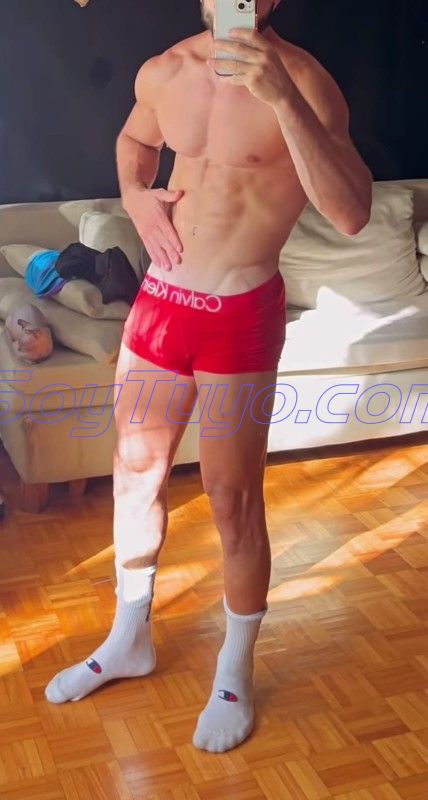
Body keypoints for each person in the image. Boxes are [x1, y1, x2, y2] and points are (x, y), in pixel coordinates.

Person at [45, 0, 372, 753]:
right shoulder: (167, 70)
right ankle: (130, 637)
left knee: (232, 497)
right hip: (160, 307)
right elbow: (134, 140)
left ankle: (233, 672)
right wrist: (136, 198)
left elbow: (351, 212)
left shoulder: (306, 83)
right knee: (135, 477)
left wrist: (282, 99)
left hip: (239, 315)